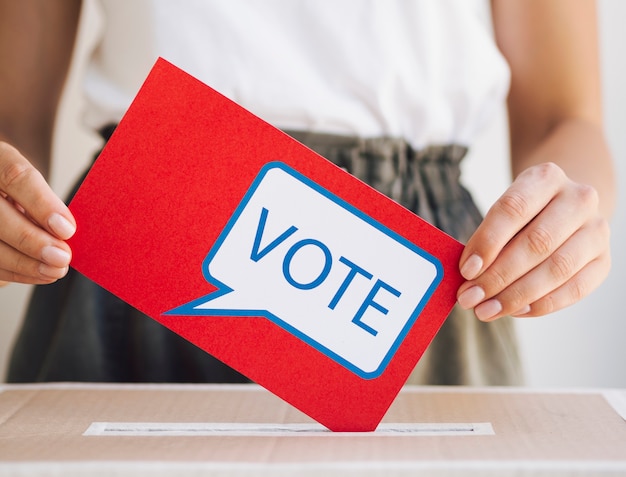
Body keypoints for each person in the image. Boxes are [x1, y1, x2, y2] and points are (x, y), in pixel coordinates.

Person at [1, 1, 615, 385]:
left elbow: (565, 117)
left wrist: (568, 217)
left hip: (404, 272)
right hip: (141, 232)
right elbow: (13, 116)